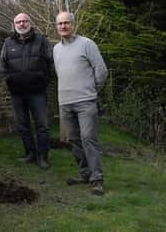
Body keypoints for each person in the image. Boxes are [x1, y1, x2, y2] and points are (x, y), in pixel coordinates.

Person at [53, 11, 108, 195]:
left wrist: (92, 90)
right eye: (60, 24)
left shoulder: (87, 44)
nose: (63, 26)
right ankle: (84, 174)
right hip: (65, 103)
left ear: (73, 25)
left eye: (66, 23)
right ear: (56, 27)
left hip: (86, 102)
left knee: (88, 139)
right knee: (75, 141)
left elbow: (101, 70)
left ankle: (97, 179)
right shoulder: (56, 49)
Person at [0, 13, 53, 169]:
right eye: (18, 21)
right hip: (17, 92)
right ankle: (30, 153)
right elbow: (2, 64)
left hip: (37, 91)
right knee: (23, 125)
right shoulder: (8, 42)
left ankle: (43, 156)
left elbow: (50, 63)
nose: (22, 24)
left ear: (30, 23)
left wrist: (45, 81)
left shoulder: (42, 40)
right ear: (14, 24)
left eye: (24, 21)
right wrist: (8, 80)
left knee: (42, 125)